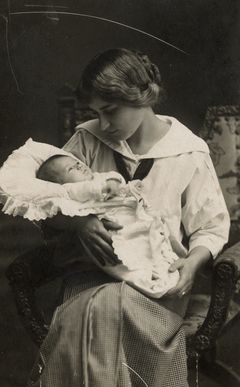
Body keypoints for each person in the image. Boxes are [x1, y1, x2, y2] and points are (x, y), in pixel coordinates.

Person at [29, 48, 230, 387]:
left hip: (156, 286)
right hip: (92, 275)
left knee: (113, 306)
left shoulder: (187, 151)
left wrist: (193, 263)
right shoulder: (87, 140)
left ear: (142, 95)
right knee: (101, 306)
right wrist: (79, 223)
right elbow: (47, 200)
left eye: (110, 111)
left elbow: (211, 225)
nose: (104, 124)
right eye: (95, 113)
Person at [36, 153, 180, 298]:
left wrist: (112, 181)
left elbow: (113, 176)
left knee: (149, 244)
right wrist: (103, 187)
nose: (79, 166)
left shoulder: (97, 177)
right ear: (62, 184)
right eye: (71, 169)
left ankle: (162, 270)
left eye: (77, 162)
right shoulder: (71, 190)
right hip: (110, 231)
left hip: (129, 217)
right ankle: (150, 284)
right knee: (124, 259)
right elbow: (81, 192)